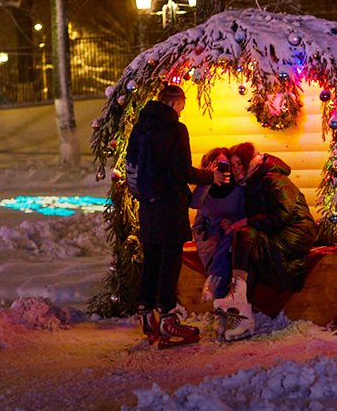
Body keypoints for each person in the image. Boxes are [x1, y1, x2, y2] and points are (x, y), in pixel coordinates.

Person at [126, 84, 228, 348]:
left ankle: (147, 314)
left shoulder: (141, 127)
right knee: (170, 262)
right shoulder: (175, 129)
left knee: (151, 259)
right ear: (175, 104)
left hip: (148, 205)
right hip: (170, 206)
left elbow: (133, 166)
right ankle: (168, 321)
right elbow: (182, 171)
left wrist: (145, 196)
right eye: (182, 107)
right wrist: (211, 176)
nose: (182, 112)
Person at [213, 142, 317, 340]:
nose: (235, 170)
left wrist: (244, 222)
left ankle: (239, 307)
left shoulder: (272, 178)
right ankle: (240, 310)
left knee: (245, 235)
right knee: (244, 242)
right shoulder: (253, 181)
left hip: (295, 233)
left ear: (248, 162)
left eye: (239, 164)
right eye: (232, 165)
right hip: (279, 231)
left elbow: (281, 215)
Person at [191, 148, 246, 303]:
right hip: (210, 235)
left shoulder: (238, 187)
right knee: (221, 256)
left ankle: (214, 284)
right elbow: (195, 205)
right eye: (218, 164)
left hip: (232, 234)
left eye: (226, 165)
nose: (223, 169)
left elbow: (247, 213)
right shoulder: (204, 188)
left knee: (229, 254)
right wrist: (209, 179)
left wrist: (232, 221)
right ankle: (220, 311)